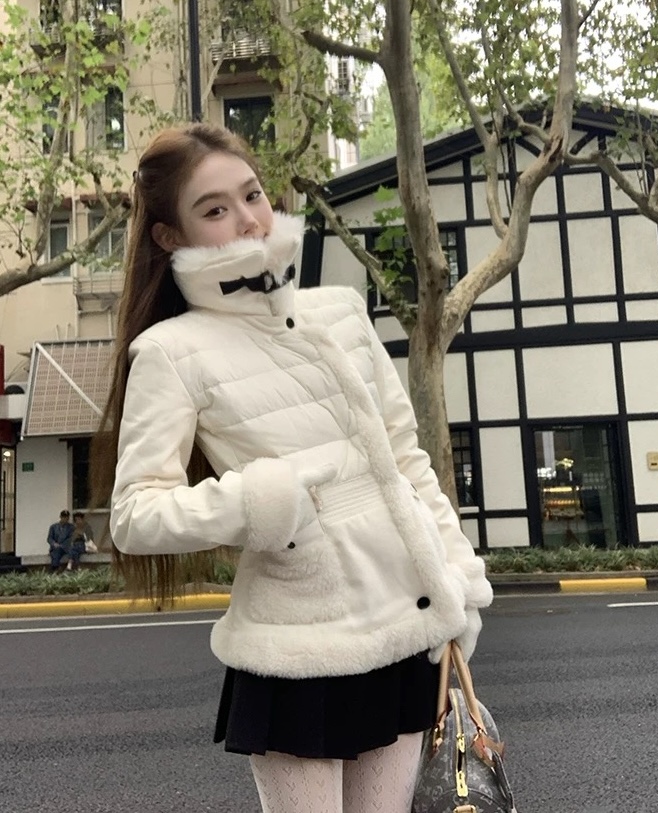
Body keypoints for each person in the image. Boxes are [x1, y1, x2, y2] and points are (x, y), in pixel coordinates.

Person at [96, 123, 493, 813]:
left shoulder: (340, 311)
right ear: (169, 235)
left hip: (407, 623)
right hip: (298, 645)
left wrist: (457, 577)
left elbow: (406, 462)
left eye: (252, 195)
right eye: (214, 209)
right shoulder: (171, 351)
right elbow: (135, 513)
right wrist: (264, 501)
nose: (248, 219)